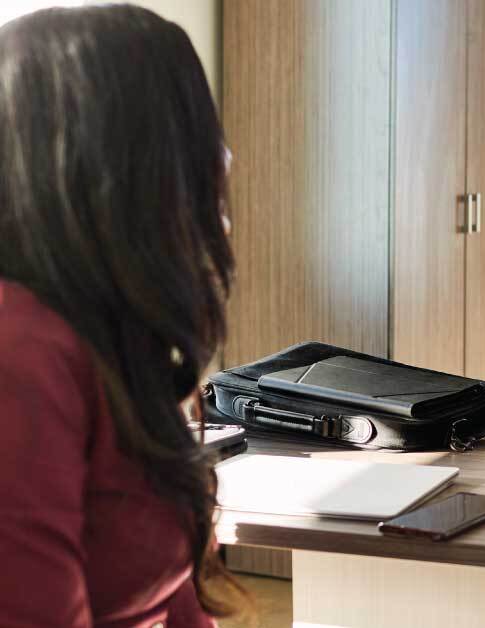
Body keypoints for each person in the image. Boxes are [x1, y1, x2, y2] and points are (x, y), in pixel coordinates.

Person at [0, 6, 247, 626]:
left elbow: (178, 603)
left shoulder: (121, 336)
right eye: (193, 128)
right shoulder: (20, 351)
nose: (222, 158)